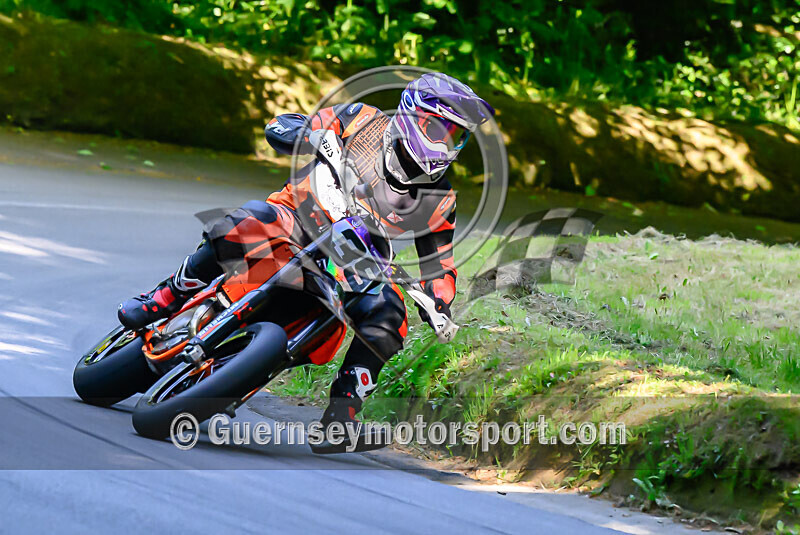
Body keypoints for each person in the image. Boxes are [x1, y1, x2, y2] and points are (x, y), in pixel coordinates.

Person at [117, 72, 494, 448]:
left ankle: (342, 417)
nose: (447, 144)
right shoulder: (360, 119)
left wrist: (440, 304)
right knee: (247, 219)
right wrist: (308, 138)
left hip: (351, 263)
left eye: (457, 136)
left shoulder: (440, 198)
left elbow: (440, 264)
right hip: (295, 220)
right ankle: (165, 296)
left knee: (390, 312)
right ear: (413, 118)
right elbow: (284, 126)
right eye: (440, 130)